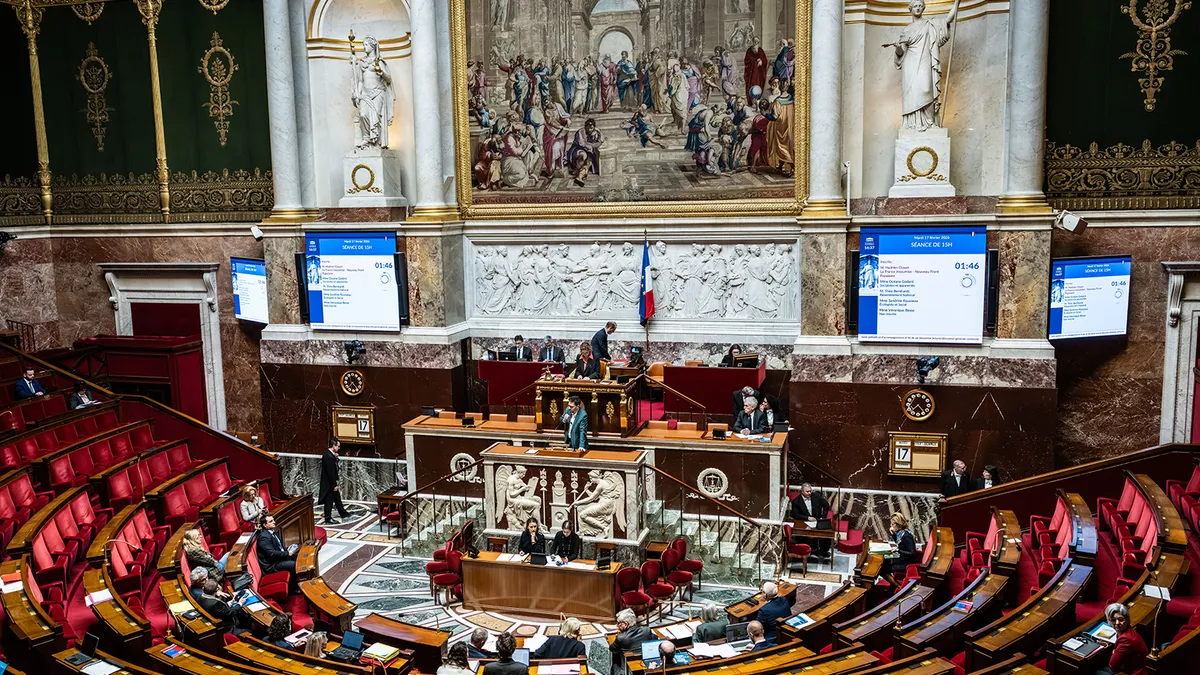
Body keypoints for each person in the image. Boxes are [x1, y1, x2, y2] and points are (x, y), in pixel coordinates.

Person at [1099, 602, 1147, 675]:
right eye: (1113, 620)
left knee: (1097, 671)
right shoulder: (1128, 630)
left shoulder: (1126, 639)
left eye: (1121, 619)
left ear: (1127, 620)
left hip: (1135, 672)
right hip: (1130, 667)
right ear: (1108, 621)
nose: (1117, 623)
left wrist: (1114, 652)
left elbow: (1112, 666)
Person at [610, 609, 655, 675]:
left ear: (625, 624)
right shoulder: (646, 630)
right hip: (647, 663)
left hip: (629, 666)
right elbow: (655, 638)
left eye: (618, 623)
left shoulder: (621, 637)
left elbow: (612, 649)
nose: (617, 625)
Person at [319, 439, 351, 525]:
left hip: (331, 482)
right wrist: (334, 485)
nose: (339, 448)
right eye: (338, 446)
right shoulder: (328, 457)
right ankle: (328, 518)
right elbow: (331, 472)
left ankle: (342, 512)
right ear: (333, 446)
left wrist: (335, 458)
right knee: (329, 501)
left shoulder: (330, 455)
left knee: (337, 498)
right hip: (329, 483)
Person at [256, 515, 298, 579]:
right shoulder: (264, 537)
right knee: (293, 564)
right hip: (272, 565)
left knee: (297, 556)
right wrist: (287, 553)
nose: (274, 522)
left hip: (277, 560)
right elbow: (271, 553)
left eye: (273, 520)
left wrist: (287, 548)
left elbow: (279, 547)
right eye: (271, 521)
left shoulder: (273, 532)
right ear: (265, 525)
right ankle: (294, 586)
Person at [886, 512, 917, 579]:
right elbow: (899, 543)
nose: (891, 526)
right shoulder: (901, 533)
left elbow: (912, 553)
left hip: (907, 563)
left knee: (883, 568)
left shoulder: (906, 536)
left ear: (898, 524)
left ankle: (896, 585)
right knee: (885, 562)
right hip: (902, 559)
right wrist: (893, 534)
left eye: (892, 524)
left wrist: (898, 550)